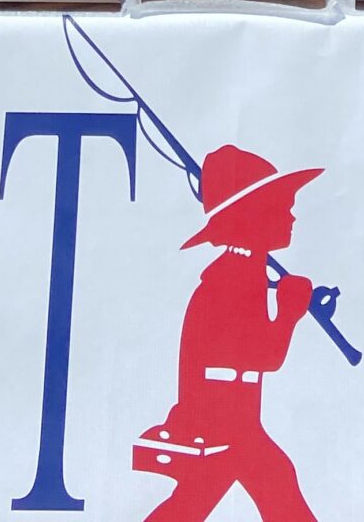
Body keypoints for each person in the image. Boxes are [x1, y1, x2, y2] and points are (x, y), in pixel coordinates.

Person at [137, 145, 335, 522]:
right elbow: (265, 356)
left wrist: (294, 304)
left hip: (235, 415)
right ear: (251, 216)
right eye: (280, 206)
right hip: (221, 417)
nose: (292, 215)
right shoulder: (232, 279)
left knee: (197, 502)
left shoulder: (247, 271)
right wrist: (291, 312)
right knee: (274, 483)